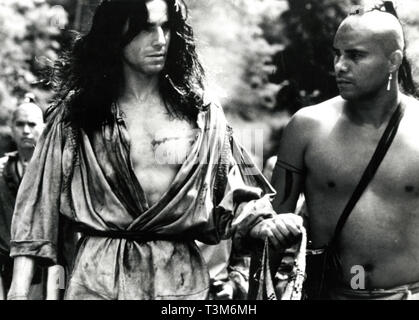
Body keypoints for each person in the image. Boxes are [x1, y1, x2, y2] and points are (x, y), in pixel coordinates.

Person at [7, 0, 283, 300]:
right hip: (98, 279)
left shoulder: (200, 114)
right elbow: (37, 203)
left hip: (179, 283)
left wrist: (262, 224)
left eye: (166, 27)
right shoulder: (79, 113)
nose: (160, 40)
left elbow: (233, 192)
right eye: (145, 28)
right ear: (116, 33)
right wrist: (18, 291)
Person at [267, 3, 419, 300]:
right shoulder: (307, 127)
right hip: (331, 293)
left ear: (393, 61)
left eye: (355, 55)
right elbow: (272, 229)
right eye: (337, 53)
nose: (339, 66)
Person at [0, 102, 47, 299]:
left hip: (46, 264)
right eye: (20, 124)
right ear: (11, 128)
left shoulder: (53, 168)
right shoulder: (3, 170)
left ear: (43, 127)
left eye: (32, 124)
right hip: (7, 261)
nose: (26, 131)